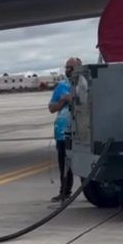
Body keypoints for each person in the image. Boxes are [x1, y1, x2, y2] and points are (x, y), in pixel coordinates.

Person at [47, 57, 81, 201]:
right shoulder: (61, 86)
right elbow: (51, 108)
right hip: (63, 131)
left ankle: (91, 190)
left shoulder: (86, 84)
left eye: (70, 68)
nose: (67, 70)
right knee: (64, 163)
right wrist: (62, 100)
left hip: (81, 131)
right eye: (66, 67)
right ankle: (65, 191)